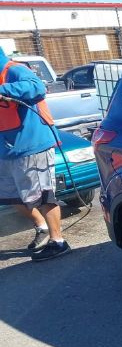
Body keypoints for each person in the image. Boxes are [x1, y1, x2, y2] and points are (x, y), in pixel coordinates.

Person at [0, 47, 70, 260]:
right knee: (11, 196)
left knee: (42, 195)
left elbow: (36, 87)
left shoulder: (14, 70)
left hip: (32, 145)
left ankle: (58, 241)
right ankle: (42, 226)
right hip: (6, 150)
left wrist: (5, 90)